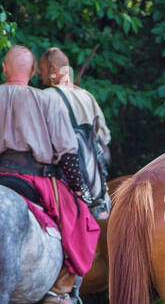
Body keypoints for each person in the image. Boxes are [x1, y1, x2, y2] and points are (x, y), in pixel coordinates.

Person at [0, 45, 100, 304]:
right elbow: (68, 152)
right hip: (35, 180)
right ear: (34, 72)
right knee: (83, 220)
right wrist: (81, 192)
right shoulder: (47, 101)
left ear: (3, 68)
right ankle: (59, 292)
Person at [37, 47, 112, 218]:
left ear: (53, 69)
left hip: (61, 184)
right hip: (94, 187)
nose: (39, 75)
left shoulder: (45, 97)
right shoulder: (87, 96)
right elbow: (104, 139)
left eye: (41, 69)